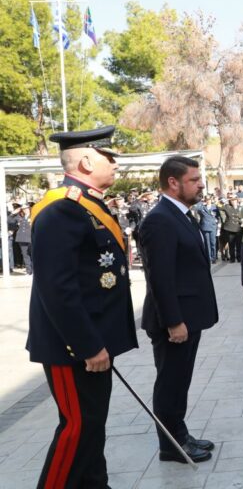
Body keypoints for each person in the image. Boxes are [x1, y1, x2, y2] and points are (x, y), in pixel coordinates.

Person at [27, 125, 138, 487]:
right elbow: (57, 289)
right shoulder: (61, 209)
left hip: (94, 341)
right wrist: (87, 345)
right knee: (77, 427)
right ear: (88, 161)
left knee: (92, 426)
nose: (116, 164)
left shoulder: (88, 204)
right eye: (110, 157)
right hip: (73, 347)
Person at [139, 156, 219, 463]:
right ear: (173, 183)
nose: (200, 184)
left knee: (179, 379)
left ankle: (179, 432)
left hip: (188, 316)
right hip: (174, 321)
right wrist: (173, 321)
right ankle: (170, 445)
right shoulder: (160, 219)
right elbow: (159, 277)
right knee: (170, 381)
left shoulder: (182, 215)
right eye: (194, 179)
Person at [194, 196, 219, 263]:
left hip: (212, 227)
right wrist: (201, 202)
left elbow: (218, 216)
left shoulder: (215, 207)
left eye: (209, 199)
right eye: (207, 200)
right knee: (207, 244)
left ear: (211, 200)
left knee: (213, 243)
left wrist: (217, 223)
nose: (208, 201)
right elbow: (196, 208)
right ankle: (209, 257)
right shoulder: (202, 207)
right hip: (205, 227)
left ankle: (214, 257)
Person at [220, 196, 243, 262]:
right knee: (231, 244)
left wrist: (242, 221)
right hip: (230, 228)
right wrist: (224, 201)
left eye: (235, 201)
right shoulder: (227, 207)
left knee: (239, 245)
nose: (234, 202)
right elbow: (219, 206)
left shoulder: (240, 208)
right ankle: (232, 258)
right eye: (232, 201)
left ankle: (239, 258)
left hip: (238, 228)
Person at [13, 204, 32, 274]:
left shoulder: (33, 215)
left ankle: (35, 270)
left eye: (26, 208)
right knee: (25, 255)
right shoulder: (20, 217)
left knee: (33, 254)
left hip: (31, 238)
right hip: (22, 238)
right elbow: (10, 221)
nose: (25, 210)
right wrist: (12, 214)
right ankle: (29, 271)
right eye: (23, 209)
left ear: (29, 208)